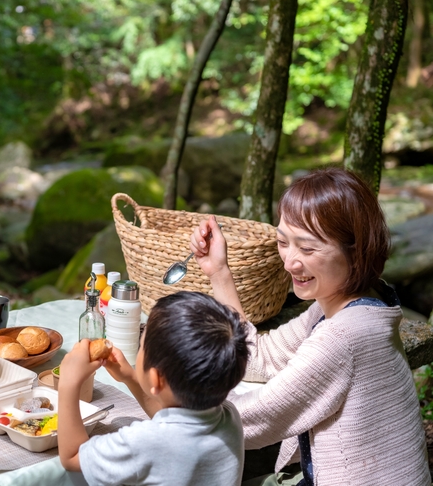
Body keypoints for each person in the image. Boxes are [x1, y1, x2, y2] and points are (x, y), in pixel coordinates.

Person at [189, 167, 430, 485]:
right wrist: (219, 271)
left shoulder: (345, 334)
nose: (289, 262)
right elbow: (259, 357)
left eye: (307, 248)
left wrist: (162, 397)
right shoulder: (354, 302)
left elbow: (256, 418)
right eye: (283, 242)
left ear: (355, 250)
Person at [57, 291, 250, 486]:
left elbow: (73, 456)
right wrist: (132, 378)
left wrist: (68, 383)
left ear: (156, 378)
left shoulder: (143, 442)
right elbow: (175, 418)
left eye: (141, 345)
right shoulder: (229, 416)